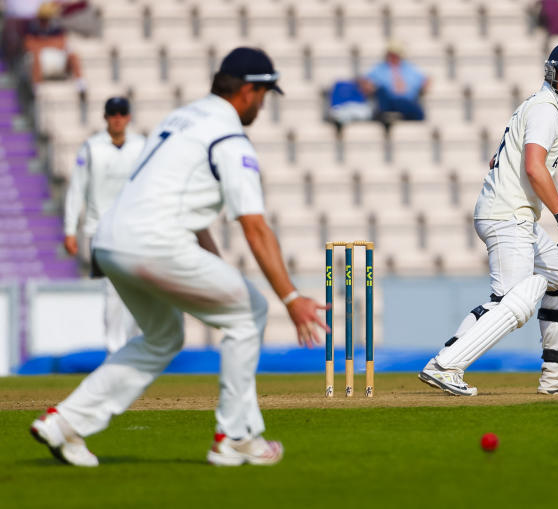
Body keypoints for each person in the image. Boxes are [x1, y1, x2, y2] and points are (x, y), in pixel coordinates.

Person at [29, 47, 329, 467]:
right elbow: (255, 227)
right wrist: (292, 298)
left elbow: (182, 204)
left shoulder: (180, 120)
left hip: (111, 242)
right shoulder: (228, 137)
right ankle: (236, 436)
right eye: (263, 94)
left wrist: (215, 263)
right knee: (250, 311)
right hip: (154, 243)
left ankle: (65, 422)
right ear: (246, 91)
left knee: (162, 337)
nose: (262, 104)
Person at [418, 42, 558, 396]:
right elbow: (534, 167)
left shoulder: (540, 107)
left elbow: (502, 161)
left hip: (514, 215)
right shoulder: (545, 109)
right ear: (553, 74)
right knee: (513, 300)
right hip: (507, 216)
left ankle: (555, 377)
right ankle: (446, 364)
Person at [63, 97, 146, 353]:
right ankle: (115, 350)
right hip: (100, 229)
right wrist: (70, 229)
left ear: (129, 117)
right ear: (105, 117)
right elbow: (77, 189)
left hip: (133, 227)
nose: (117, 118)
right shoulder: (91, 148)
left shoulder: (141, 146)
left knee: (138, 289)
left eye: (122, 113)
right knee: (113, 291)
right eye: (112, 113)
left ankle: (133, 347)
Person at [358, 41, 429, 122]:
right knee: (382, 92)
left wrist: (424, 86)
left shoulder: (409, 68)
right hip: (388, 101)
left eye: (396, 55)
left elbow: (424, 80)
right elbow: (365, 82)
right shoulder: (380, 69)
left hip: (407, 101)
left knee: (412, 109)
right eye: (391, 54)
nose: (393, 57)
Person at [23, 1, 84, 87]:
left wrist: (41, 43)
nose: (45, 21)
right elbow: (29, 44)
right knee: (35, 55)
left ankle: (80, 83)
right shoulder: (32, 27)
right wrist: (49, 43)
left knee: (73, 55)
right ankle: (36, 85)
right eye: (43, 18)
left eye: (47, 18)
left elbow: (61, 43)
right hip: (40, 56)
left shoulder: (56, 26)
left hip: (56, 55)